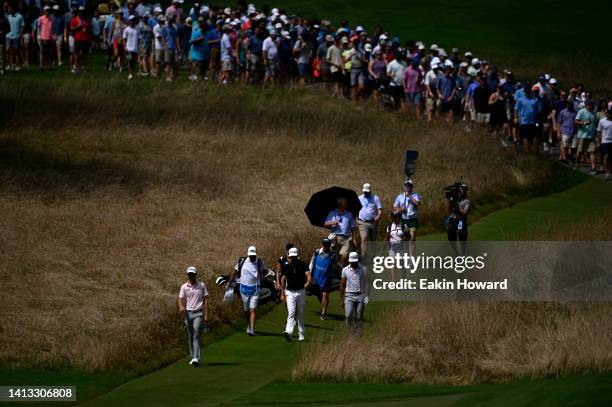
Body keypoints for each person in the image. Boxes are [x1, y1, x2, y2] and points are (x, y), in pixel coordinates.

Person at [230, 246, 267, 336]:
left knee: (252, 309)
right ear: (248, 254)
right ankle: (249, 326)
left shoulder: (259, 262)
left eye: (253, 255)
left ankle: (252, 330)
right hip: (243, 288)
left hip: (255, 288)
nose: (252, 257)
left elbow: (265, 272)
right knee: (246, 310)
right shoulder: (242, 261)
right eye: (250, 255)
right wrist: (229, 282)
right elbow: (235, 271)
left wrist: (264, 271)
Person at [178, 266, 209, 368]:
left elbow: (206, 300)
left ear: (196, 275)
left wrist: (206, 315)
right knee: (190, 336)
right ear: (187, 275)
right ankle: (193, 356)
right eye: (189, 274)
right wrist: (181, 306)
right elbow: (180, 299)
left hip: (198, 313)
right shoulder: (184, 287)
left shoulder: (201, 285)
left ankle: (196, 357)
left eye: (193, 274)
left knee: (196, 334)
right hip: (188, 314)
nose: (191, 276)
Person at [280, 247, 311, 342]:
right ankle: (288, 332)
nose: (292, 258)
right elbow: (283, 279)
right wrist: (282, 293)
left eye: (294, 257)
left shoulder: (303, 264)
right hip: (290, 292)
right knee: (291, 313)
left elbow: (308, 275)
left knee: (300, 314)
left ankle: (301, 334)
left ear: (297, 256)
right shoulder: (287, 266)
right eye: (291, 257)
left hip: (300, 291)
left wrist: (308, 283)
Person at [309, 238, 340, 320]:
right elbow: (312, 263)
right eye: (324, 245)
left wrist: (343, 270)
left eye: (327, 245)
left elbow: (337, 264)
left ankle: (323, 313)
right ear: (322, 244)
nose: (325, 247)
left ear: (329, 246)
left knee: (325, 294)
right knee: (318, 294)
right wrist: (309, 274)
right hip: (315, 277)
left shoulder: (333, 255)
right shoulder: (316, 252)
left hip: (326, 278)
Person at [340, 252, 369, 330]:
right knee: (348, 315)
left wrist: (366, 295)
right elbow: (342, 285)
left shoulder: (364, 269)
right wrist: (341, 299)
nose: (353, 263)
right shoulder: (345, 270)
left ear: (357, 260)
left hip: (360, 295)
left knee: (359, 317)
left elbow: (366, 283)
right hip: (349, 295)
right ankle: (351, 332)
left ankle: (358, 334)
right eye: (351, 261)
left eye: (354, 261)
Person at [393, 179, 421, 257]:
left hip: (413, 219)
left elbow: (417, 204)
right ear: (404, 186)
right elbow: (395, 207)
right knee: (404, 238)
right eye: (406, 185)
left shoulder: (415, 195)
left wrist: (409, 196)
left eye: (409, 185)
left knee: (412, 239)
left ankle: (411, 257)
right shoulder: (400, 196)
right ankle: (405, 254)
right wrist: (400, 210)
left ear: (412, 186)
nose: (407, 186)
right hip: (404, 219)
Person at [324, 197, 356, 265]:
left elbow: (353, 227)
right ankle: (336, 270)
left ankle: (342, 272)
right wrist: (333, 222)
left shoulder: (349, 214)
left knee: (344, 256)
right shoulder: (332, 213)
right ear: (340, 204)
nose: (347, 204)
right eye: (345, 203)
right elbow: (325, 224)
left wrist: (354, 239)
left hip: (346, 238)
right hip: (335, 238)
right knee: (334, 257)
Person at [357, 183, 383, 256]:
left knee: (373, 240)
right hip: (362, 222)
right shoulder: (359, 198)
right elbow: (355, 209)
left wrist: (378, 217)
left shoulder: (375, 198)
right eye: (364, 191)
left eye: (367, 191)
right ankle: (363, 257)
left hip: (373, 222)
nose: (365, 193)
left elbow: (380, 210)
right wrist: (356, 219)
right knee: (364, 239)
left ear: (370, 191)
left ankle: (374, 256)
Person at [514, 84, 540, 153]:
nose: (528, 92)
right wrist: (516, 118)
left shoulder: (535, 100)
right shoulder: (520, 100)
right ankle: (527, 152)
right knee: (526, 137)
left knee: (534, 137)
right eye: (527, 91)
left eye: (529, 91)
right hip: (524, 121)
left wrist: (537, 121)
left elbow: (536, 111)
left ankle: (531, 150)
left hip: (533, 122)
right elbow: (516, 109)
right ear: (525, 92)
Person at [575, 100, 598, 174]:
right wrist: (584, 123)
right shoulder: (581, 111)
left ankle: (593, 168)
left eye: (592, 105)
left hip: (591, 135)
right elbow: (576, 121)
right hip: (582, 135)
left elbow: (594, 124)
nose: (591, 106)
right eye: (590, 104)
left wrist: (595, 133)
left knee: (592, 151)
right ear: (586, 105)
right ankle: (577, 164)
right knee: (580, 152)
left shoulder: (594, 112)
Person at [447, 183, 470, 256]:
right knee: (450, 235)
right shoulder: (454, 198)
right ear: (459, 189)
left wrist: (457, 209)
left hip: (460, 220)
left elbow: (464, 212)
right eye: (462, 189)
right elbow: (450, 209)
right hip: (453, 219)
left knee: (460, 233)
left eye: (465, 189)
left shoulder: (466, 201)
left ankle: (462, 254)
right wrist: (450, 202)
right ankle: (456, 253)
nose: (463, 190)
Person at [597, 108, 612, 180]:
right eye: (608, 113)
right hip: (605, 142)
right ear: (606, 114)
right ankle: (607, 173)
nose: (609, 114)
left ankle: (609, 171)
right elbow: (599, 132)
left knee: (610, 158)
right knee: (606, 157)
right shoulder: (602, 121)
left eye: (610, 113)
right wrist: (599, 142)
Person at [123, 15, 138, 80]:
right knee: (129, 61)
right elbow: (124, 39)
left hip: (135, 48)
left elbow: (138, 39)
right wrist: (125, 46)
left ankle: (132, 73)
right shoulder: (126, 29)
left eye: (133, 20)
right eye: (131, 20)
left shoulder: (137, 29)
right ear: (129, 21)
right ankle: (130, 74)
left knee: (133, 62)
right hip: (129, 48)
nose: (132, 21)